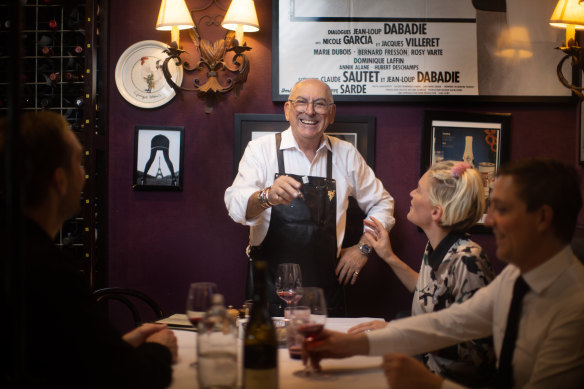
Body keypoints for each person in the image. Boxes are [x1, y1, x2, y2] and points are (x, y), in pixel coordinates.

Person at [304, 158, 584, 389]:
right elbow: (447, 324)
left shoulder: (576, 308)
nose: (491, 220)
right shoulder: (516, 278)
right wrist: (348, 344)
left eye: (502, 209)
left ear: (542, 218)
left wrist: (432, 384)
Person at [0, 111, 177, 389]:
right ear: (59, 181)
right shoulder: (48, 269)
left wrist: (117, 347)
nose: (84, 174)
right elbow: (131, 382)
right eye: (78, 163)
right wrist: (160, 349)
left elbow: (60, 361)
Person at [224, 79, 394, 317]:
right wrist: (267, 196)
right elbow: (235, 206)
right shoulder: (260, 150)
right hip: (269, 293)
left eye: (320, 104)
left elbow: (383, 203)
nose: (310, 111)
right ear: (287, 110)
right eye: (301, 102)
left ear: (331, 113)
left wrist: (363, 247)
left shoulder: (346, 154)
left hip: (326, 296)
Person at [348, 160, 496, 386]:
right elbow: (429, 292)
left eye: (418, 190)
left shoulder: (468, 260)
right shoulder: (435, 246)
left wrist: (400, 330)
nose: (411, 193)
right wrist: (388, 256)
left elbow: (477, 352)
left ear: (436, 212)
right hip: (423, 372)